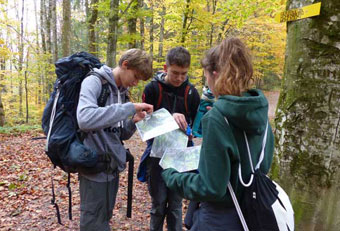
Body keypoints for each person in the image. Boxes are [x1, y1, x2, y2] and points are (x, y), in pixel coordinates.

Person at [161, 37, 275, 231]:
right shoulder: (260, 110)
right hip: (253, 213)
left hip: (219, 218)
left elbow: (211, 187)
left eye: (206, 75)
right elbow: (260, 164)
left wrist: (171, 175)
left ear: (214, 74)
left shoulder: (217, 118)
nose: (207, 81)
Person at [76, 48, 154, 231]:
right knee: (92, 222)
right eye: (135, 77)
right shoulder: (95, 81)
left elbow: (117, 134)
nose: (135, 83)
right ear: (125, 65)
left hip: (111, 167)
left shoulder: (122, 92)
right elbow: (84, 119)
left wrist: (133, 122)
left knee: (103, 218)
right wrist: (128, 108)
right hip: (93, 167)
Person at [138, 46, 200, 231]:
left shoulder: (191, 93)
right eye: (175, 73)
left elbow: (195, 126)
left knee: (175, 206)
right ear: (165, 68)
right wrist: (169, 117)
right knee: (158, 205)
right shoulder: (152, 89)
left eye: (183, 73)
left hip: (181, 156)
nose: (179, 78)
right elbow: (143, 124)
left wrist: (190, 131)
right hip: (157, 155)